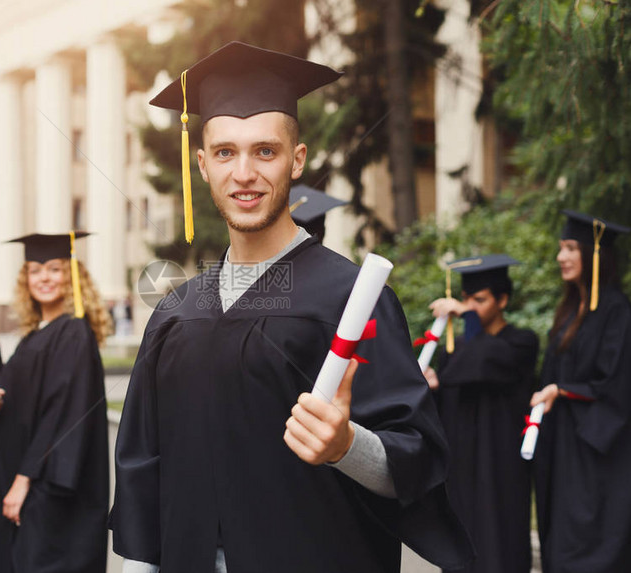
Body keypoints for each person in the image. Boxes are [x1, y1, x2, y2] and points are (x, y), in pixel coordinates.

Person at [110, 41, 472, 573]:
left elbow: (416, 458)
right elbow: (142, 466)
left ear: (296, 160)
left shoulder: (349, 299)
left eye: (265, 150)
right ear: (203, 165)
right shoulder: (177, 312)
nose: (244, 173)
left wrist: (347, 445)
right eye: (226, 152)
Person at [0, 232, 110, 573]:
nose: (44, 278)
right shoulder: (38, 334)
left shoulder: (73, 333)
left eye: (54, 268)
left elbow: (63, 413)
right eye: (35, 270)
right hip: (33, 482)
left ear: (72, 276)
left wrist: (24, 480)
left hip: (48, 489)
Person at [530, 210, 631, 573]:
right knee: (561, 544)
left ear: (594, 254)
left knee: (587, 550)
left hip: (598, 456)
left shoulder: (618, 313)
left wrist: (562, 392)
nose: (560, 257)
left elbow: (620, 387)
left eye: (569, 248)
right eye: (560, 248)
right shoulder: (570, 311)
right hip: (565, 450)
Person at [422, 254, 538, 573]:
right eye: (466, 299)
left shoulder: (522, 342)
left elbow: (483, 363)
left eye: (481, 300)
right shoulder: (454, 348)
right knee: (463, 543)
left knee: (501, 544)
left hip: (501, 465)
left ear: (503, 300)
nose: (471, 307)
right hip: (462, 466)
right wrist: (433, 389)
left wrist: (467, 318)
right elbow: (445, 406)